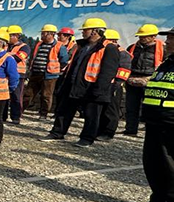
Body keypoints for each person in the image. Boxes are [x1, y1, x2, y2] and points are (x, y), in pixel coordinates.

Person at [43, 17, 120, 147]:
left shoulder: (109, 48)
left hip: (92, 87)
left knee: (91, 115)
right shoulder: (81, 46)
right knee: (64, 110)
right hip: (74, 84)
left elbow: (108, 71)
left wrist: (99, 90)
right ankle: (57, 133)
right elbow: (74, 66)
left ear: (95, 31)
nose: (83, 32)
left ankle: (87, 139)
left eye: (85, 30)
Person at [132, 28, 174, 202]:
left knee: (170, 165)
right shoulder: (167, 63)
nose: (166, 42)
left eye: (171, 39)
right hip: (155, 121)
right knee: (154, 164)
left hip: (171, 123)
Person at [123, 24, 166, 138]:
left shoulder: (163, 49)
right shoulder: (132, 47)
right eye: (140, 36)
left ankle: (150, 130)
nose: (141, 38)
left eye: (144, 36)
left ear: (153, 36)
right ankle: (130, 129)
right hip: (132, 81)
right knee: (131, 107)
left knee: (149, 108)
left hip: (150, 81)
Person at [24, 24, 69, 120]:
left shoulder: (59, 46)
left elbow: (64, 60)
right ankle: (20, 110)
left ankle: (43, 114)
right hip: (36, 73)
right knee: (28, 93)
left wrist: (56, 69)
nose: (42, 35)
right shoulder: (39, 44)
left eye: (43, 33)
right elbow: (33, 57)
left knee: (46, 95)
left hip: (49, 75)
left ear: (51, 34)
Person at [98, 29, 132, 140]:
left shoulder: (123, 54)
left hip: (114, 85)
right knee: (101, 109)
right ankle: (99, 130)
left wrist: (116, 85)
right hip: (104, 84)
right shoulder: (103, 51)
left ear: (113, 41)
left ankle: (108, 132)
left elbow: (124, 72)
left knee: (111, 110)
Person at [6, 25, 30, 125]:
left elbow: (18, 58)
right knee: (4, 96)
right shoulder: (6, 46)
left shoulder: (24, 47)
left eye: (10, 35)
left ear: (16, 36)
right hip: (6, 73)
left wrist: (7, 55)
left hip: (19, 75)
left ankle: (16, 117)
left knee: (16, 96)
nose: (8, 38)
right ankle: (3, 116)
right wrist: (9, 55)